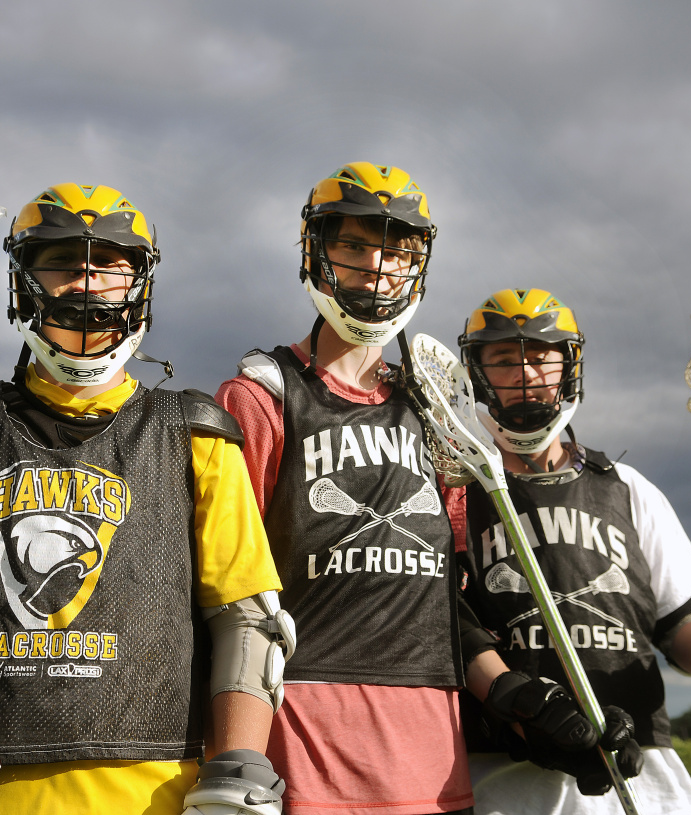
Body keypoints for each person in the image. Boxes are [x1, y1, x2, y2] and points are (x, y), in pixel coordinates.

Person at [0, 183, 295, 815]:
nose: (85, 283)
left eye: (107, 264)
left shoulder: (194, 432)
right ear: (23, 281)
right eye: (60, 263)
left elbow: (248, 621)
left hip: (161, 795)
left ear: (140, 282)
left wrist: (240, 764)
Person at [454, 288, 691, 815]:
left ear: (569, 367)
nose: (524, 371)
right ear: (479, 374)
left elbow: (680, 625)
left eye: (540, 356)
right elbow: (444, 628)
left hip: (642, 776)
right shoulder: (453, 494)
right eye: (503, 359)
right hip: (504, 780)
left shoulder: (627, 488)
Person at [216, 162, 475, 815]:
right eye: (354, 246)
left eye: (396, 251)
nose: (376, 268)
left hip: (434, 755)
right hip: (304, 737)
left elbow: (455, 577)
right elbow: (225, 586)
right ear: (316, 250)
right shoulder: (261, 395)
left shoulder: (435, 408)